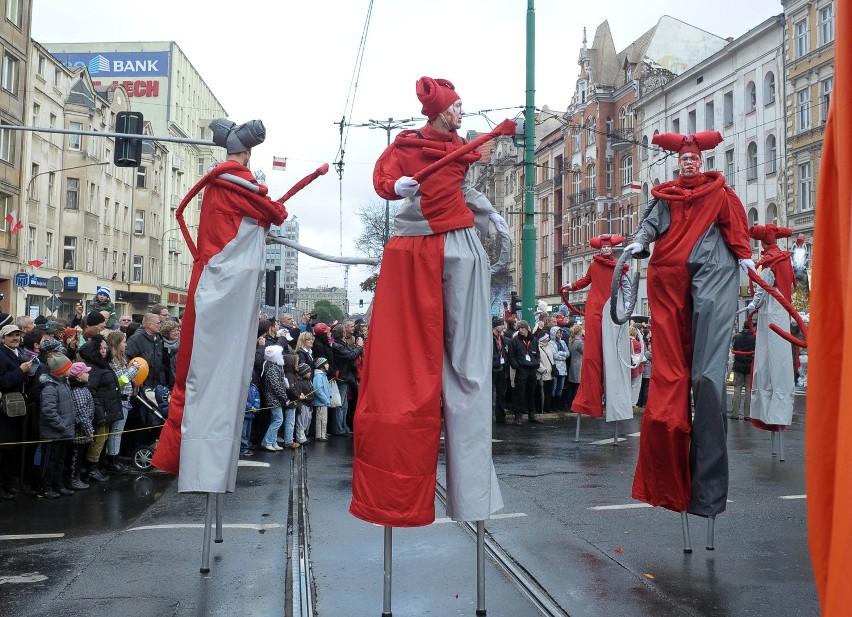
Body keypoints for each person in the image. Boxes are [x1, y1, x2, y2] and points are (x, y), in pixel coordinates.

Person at [350, 76, 506, 527]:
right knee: (404, 373)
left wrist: (486, 211)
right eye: (458, 108)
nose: (462, 114)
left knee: (469, 370)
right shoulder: (406, 145)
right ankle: (394, 496)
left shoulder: (461, 148)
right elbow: (385, 178)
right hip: (415, 246)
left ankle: (474, 498)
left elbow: (457, 186)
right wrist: (396, 186)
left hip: (459, 244)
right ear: (442, 112)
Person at [152, 118, 289, 495]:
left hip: (210, 274)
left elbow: (265, 211)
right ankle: (196, 460)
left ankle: (190, 456)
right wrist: (266, 217)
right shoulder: (233, 181)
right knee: (213, 371)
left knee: (200, 371)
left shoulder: (218, 183)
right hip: (222, 276)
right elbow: (272, 209)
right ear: (245, 153)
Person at [622, 130, 753, 517]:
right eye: (684, 158)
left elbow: (735, 227)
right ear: (678, 163)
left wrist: (745, 257)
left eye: (694, 157)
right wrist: (638, 242)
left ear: (702, 161)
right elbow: (650, 225)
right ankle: (669, 485)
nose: (689, 162)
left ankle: (707, 494)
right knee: (670, 380)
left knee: (708, 379)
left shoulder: (719, 195)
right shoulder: (666, 197)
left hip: (711, 273)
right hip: (669, 279)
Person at [561, 234, 633, 421]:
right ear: (600, 249)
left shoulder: (619, 266)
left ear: (611, 249)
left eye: (608, 247)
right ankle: (589, 401)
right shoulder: (594, 265)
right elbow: (585, 280)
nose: (606, 250)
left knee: (612, 353)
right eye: (604, 247)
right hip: (595, 306)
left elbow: (626, 286)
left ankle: (613, 400)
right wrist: (572, 286)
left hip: (611, 306)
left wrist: (626, 305)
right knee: (592, 354)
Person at [746, 224, 796, 431]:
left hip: (772, 311)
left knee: (768, 359)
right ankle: (779, 411)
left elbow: (763, 287)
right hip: (782, 309)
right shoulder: (785, 259)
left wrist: (753, 305)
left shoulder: (769, 262)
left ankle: (769, 411)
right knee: (780, 359)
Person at [0, 319, 33, 499]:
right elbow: (3, 381)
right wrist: (20, 371)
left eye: (17, 335)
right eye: (10, 335)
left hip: (20, 407)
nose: (14, 338)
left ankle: (9, 482)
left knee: (14, 449)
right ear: (2, 338)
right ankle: (2, 486)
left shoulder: (19, 352)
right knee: (5, 449)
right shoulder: (1, 354)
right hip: (6, 408)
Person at [36, 354, 76, 498]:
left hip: (63, 432)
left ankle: (58, 485)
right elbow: (48, 411)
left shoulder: (63, 383)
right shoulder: (50, 387)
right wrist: (62, 425)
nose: (71, 369)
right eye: (68, 367)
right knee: (49, 462)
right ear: (60, 370)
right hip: (53, 433)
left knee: (59, 461)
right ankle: (44, 488)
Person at [260, 345, 295, 451]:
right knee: (278, 420)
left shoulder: (275, 367)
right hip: (274, 399)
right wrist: (285, 398)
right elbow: (276, 386)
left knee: (275, 419)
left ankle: (273, 441)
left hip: (275, 398)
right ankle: (267, 441)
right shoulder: (272, 369)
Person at [508, 320, 540, 425]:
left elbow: (537, 354)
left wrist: (536, 363)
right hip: (521, 369)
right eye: (519, 329)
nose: (521, 330)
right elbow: (511, 356)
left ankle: (531, 415)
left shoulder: (534, 340)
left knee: (531, 393)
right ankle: (518, 416)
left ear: (527, 329)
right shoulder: (514, 341)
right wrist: (516, 366)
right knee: (519, 393)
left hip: (532, 369)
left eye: (522, 328)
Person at [729, 321, 756, 420]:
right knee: (748, 391)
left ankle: (735, 414)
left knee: (737, 389)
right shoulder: (755, 338)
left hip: (738, 366)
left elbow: (733, 348)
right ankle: (747, 415)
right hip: (750, 367)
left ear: (743, 326)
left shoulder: (737, 337)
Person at [491, 316, 510, 424]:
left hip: (502, 369)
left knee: (501, 394)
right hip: (493, 369)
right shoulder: (489, 338)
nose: (503, 326)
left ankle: (501, 417)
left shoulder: (503, 339)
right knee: (491, 394)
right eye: (500, 324)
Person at [549, 326, 569, 412]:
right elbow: (554, 355)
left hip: (563, 368)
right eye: (557, 333)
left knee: (560, 388)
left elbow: (568, 353)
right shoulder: (551, 343)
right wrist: (563, 355)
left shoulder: (563, 342)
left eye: (560, 333)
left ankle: (558, 404)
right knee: (554, 387)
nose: (559, 335)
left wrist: (561, 353)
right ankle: (552, 405)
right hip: (556, 368)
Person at [565, 324, 585, 413]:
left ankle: (568, 404)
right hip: (579, 364)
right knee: (576, 386)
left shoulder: (571, 340)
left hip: (573, 364)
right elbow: (584, 351)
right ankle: (574, 404)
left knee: (572, 386)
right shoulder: (579, 341)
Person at [312, 357, 331, 441]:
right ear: (321, 366)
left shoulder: (323, 375)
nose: (328, 365)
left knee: (323, 419)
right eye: (326, 364)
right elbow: (318, 389)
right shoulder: (319, 376)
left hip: (324, 402)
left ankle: (322, 434)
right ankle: (319, 435)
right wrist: (326, 399)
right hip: (321, 402)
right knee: (321, 419)